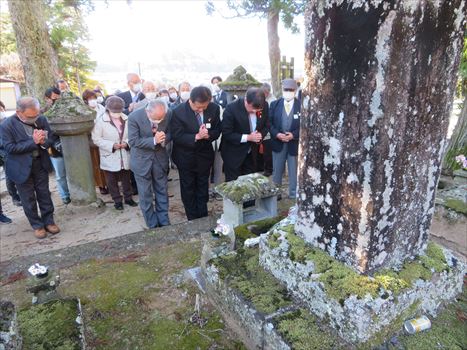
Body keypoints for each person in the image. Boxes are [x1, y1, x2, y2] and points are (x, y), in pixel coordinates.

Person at [0, 97, 60, 238]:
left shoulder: (41, 119)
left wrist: (44, 142)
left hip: (40, 162)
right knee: (28, 199)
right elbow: (9, 148)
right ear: (18, 112)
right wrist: (34, 142)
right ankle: (37, 225)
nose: (34, 118)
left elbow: (51, 137)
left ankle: (49, 221)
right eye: (30, 116)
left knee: (44, 194)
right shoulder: (6, 125)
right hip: (20, 167)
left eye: (36, 115)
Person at [170, 86, 221, 220]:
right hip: (185, 156)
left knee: (203, 186)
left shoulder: (214, 109)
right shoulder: (178, 112)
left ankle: (203, 215)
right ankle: (192, 218)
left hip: (204, 155)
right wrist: (196, 137)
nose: (201, 110)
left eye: (204, 107)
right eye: (198, 107)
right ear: (190, 101)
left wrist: (208, 135)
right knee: (188, 188)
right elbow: (177, 135)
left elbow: (217, 129)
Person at [128, 99, 171, 228]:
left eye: (162, 118)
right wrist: (153, 140)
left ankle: (164, 221)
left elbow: (171, 133)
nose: (160, 120)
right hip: (141, 161)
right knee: (145, 195)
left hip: (160, 159)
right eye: (157, 118)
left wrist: (164, 139)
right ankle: (152, 224)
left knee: (162, 191)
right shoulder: (134, 117)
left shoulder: (168, 114)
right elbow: (133, 141)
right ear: (148, 111)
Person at [92, 96, 137, 210]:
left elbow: (132, 135)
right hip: (109, 154)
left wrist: (127, 143)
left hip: (124, 153)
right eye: (114, 111)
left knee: (126, 177)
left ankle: (128, 198)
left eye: (119, 111)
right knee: (111, 180)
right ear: (108, 109)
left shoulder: (127, 119)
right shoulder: (100, 121)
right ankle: (117, 200)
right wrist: (111, 145)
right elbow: (96, 139)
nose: (117, 113)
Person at [221, 87, 269, 181]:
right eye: (252, 108)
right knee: (233, 185)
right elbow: (227, 133)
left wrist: (260, 135)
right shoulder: (232, 108)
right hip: (233, 153)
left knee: (250, 183)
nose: (255, 111)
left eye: (258, 109)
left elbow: (266, 125)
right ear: (246, 100)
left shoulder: (265, 105)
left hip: (252, 153)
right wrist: (248, 137)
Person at [270, 79, 301, 199]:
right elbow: (269, 124)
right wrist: (277, 134)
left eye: (291, 90)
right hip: (278, 142)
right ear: (282, 90)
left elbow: (305, 125)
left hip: (294, 143)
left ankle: (294, 195)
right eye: (286, 90)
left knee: (294, 171)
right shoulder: (274, 104)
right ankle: (276, 195)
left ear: (295, 90)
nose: (288, 92)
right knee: (277, 170)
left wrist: (293, 135)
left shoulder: (301, 105)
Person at [43, 88, 71, 205]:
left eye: (59, 97)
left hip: (70, 146)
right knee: (60, 175)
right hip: (54, 149)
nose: (57, 100)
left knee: (73, 172)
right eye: (54, 98)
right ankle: (65, 195)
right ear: (47, 98)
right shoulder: (43, 114)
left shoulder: (68, 109)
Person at [83, 89, 108, 195]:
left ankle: (108, 183)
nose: (92, 100)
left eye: (94, 98)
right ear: (85, 100)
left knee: (106, 162)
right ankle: (101, 185)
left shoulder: (102, 108)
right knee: (96, 164)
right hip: (92, 141)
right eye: (90, 99)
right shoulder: (84, 111)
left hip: (104, 139)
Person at [0, 101, 21, 207]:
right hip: (5, 153)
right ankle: (15, 197)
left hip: (16, 151)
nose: (1, 111)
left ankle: (21, 195)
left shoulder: (9, 121)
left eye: (1, 109)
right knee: (9, 176)